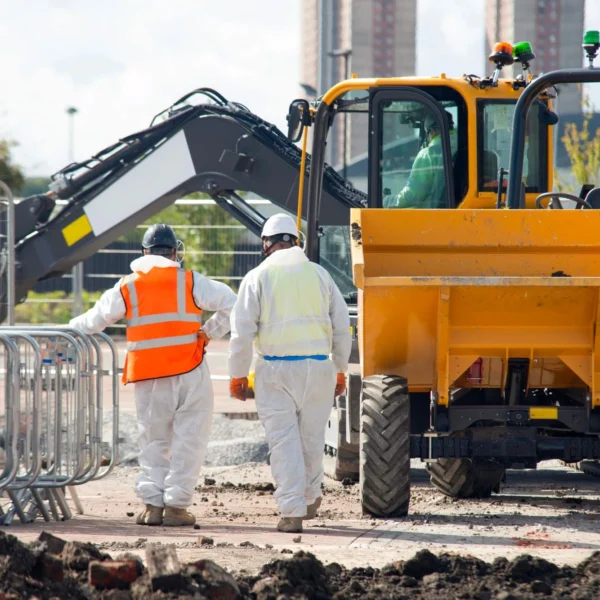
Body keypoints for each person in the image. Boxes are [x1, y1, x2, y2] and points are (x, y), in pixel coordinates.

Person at [68, 223, 236, 527]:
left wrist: (62, 332)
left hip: (148, 376)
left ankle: (152, 507)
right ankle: (176, 508)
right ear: (174, 252)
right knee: (189, 440)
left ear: (144, 252)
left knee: (153, 441)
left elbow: (92, 321)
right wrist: (207, 333)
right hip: (189, 372)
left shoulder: (127, 286)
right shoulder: (190, 281)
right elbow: (233, 305)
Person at [227, 213, 352, 533]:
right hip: (319, 368)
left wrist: (238, 374)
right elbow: (342, 327)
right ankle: (310, 497)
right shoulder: (320, 274)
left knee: (284, 443)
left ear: (265, 244)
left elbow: (241, 332)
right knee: (311, 440)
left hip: (275, 370)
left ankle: (292, 511)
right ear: (296, 242)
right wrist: (339, 369)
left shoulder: (257, 277)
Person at [386, 110, 457, 209]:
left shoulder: (429, 154)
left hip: (431, 218)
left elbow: (412, 196)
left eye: (426, 135)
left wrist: (387, 200)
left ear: (432, 132)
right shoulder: (466, 148)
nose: (427, 139)